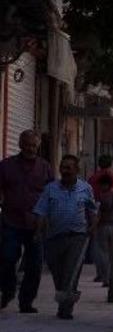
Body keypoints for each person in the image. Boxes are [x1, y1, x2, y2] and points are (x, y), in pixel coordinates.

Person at [33, 155, 98, 319]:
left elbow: (93, 210)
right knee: (58, 274)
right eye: (63, 167)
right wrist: (37, 232)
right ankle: (63, 302)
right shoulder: (50, 189)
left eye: (69, 168)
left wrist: (93, 226)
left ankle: (65, 309)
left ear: (76, 170)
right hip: (54, 237)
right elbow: (41, 211)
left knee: (71, 272)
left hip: (77, 237)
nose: (65, 171)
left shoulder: (85, 188)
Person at [0, 130, 53, 312]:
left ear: (38, 146)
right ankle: (7, 291)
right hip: (11, 220)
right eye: (27, 145)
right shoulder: (6, 166)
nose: (31, 149)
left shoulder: (45, 167)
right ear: (20, 145)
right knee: (7, 259)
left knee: (35, 264)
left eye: (34, 146)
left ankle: (26, 301)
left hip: (35, 224)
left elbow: (50, 193)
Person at [93, 175, 113, 287]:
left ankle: (106, 278)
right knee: (112, 254)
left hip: (103, 226)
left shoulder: (102, 197)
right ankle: (112, 277)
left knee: (103, 254)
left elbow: (98, 212)